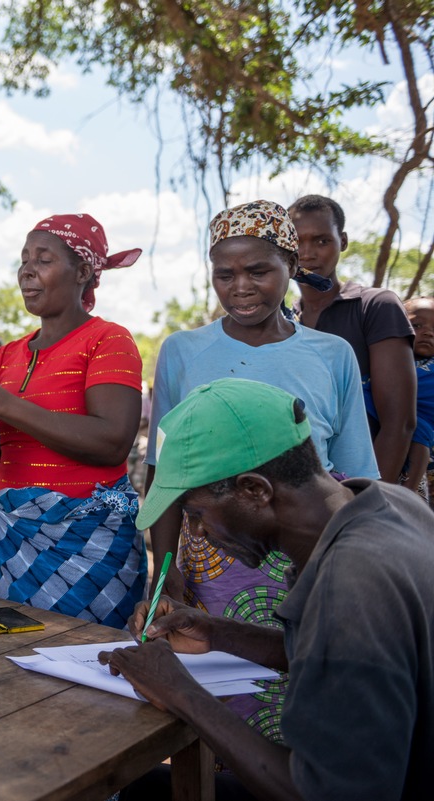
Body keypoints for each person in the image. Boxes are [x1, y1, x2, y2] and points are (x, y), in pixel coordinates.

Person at [103, 378, 434, 801]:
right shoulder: (388, 503)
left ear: (255, 490)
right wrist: (220, 633)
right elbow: (348, 658)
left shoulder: (350, 583)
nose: (199, 531)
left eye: (197, 512)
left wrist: (180, 691)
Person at [145, 199, 378, 740]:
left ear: (291, 269)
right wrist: (165, 566)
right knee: (215, 689)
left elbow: (352, 469)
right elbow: (166, 472)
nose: (240, 287)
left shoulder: (332, 355)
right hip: (211, 547)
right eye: (224, 274)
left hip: (302, 550)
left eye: (258, 271)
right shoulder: (182, 352)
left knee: (303, 686)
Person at [0, 213, 146, 628]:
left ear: (83, 271)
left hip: (86, 545)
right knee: (4, 665)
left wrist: (0, 403)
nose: (27, 271)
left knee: (83, 669)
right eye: (24, 258)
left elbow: (113, 441)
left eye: (44, 259)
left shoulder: (108, 340)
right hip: (7, 537)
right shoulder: (8, 355)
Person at [289, 194, 416, 483]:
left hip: (363, 487)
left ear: (342, 242)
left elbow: (400, 423)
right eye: (297, 241)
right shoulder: (284, 321)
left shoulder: (375, 306)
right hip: (303, 493)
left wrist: (365, 501)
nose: (307, 253)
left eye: (322, 241)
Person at [380, 297, 434, 500]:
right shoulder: (386, 357)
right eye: (417, 325)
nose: (428, 332)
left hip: (421, 423)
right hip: (388, 422)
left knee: (421, 438)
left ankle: (409, 493)